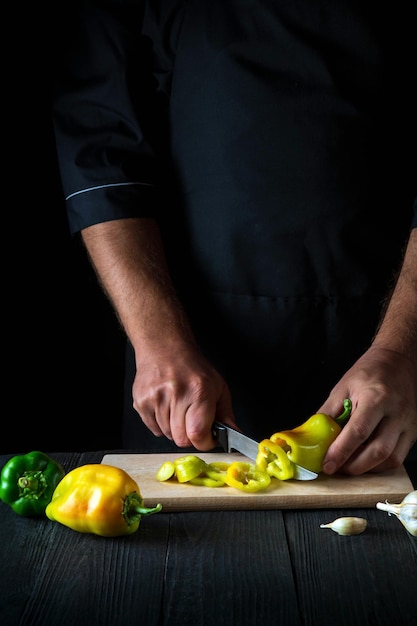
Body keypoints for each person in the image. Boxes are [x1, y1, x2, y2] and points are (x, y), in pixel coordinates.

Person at [53, 0, 417, 473]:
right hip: (189, 360)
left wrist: (401, 351)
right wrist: (157, 340)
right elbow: (99, 144)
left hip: (394, 350)